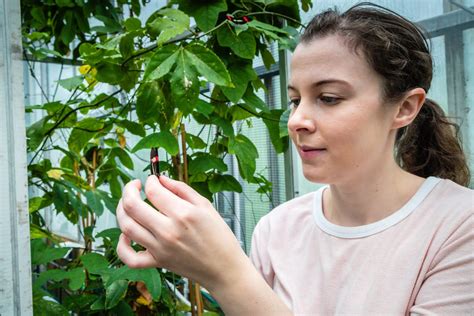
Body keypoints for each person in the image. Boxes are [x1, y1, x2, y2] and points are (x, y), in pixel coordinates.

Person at [115, 3, 473, 315]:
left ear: (405, 107)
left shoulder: (458, 226)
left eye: (329, 97)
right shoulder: (277, 230)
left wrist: (226, 274)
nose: (297, 120)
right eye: (294, 100)